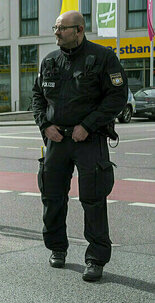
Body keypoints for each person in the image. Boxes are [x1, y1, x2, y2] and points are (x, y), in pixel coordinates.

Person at [31, 11, 126, 282]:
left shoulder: (103, 58)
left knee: (93, 200)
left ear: (80, 30)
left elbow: (117, 97)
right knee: (52, 196)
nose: (57, 33)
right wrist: (44, 125)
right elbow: (37, 95)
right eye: (56, 28)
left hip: (88, 139)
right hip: (57, 140)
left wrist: (88, 125)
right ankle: (57, 248)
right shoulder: (50, 60)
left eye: (62, 29)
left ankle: (96, 259)